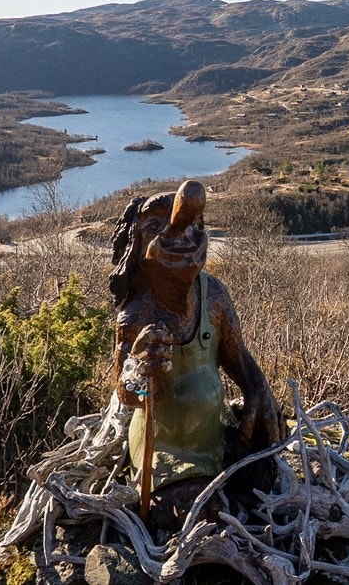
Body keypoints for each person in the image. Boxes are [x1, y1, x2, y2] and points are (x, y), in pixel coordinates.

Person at [109, 180, 283, 529]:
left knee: (267, 466)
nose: (182, 234)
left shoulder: (214, 295)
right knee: (206, 512)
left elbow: (236, 355)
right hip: (167, 454)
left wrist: (257, 392)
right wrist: (141, 371)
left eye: (192, 226)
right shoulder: (135, 316)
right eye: (154, 228)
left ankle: (229, 483)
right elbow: (126, 392)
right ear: (136, 249)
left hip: (215, 438)